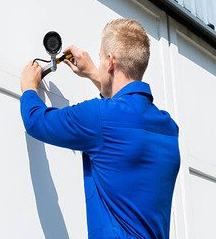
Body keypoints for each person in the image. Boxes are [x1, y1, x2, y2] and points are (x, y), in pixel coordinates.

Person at [20, 19, 181, 239]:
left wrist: (29, 87)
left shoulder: (99, 117)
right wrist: (97, 75)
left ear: (111, 62)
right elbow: (125, 118)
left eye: (100, 58)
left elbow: (36, 122)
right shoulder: (168, 128)